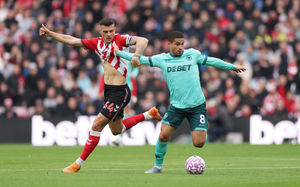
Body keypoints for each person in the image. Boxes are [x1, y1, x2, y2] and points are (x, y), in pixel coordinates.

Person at [40, 18, 162, 173]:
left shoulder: (121, 40)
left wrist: (136, 56)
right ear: (100, 32)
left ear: (115, 30)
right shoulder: (96, 43)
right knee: (117, 130)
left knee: (96, 125)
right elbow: (71, 40)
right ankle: (149, 114)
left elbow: (143, 40)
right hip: (109, 91)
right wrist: (50, 34)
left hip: (120, 92)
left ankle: (77, 164)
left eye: (112, 30)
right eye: (106, 32)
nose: (110, 34)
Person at [115, 31, 246, 173]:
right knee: (163, 134)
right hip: (177, 106)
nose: (180, 47)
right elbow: (140, 59)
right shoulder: (162, 59)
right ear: (169, 44)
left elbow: (212, 61)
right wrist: (118, 53)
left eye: (182, 44)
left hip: (197, 106)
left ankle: (202, 124)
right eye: (177, 44)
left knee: (199, 143)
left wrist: (232, 67)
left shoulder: (192, 54)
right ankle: (157, 167)